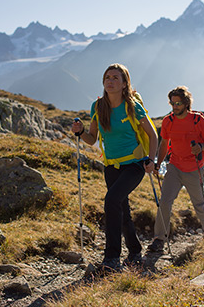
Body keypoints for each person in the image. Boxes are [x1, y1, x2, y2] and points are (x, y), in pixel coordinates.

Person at [72, 63, 157, 271]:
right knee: (121, 210)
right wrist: (81, 131)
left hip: (135, 164)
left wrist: (151, 160)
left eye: (115, 78)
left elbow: (153, 135)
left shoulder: (132, 107)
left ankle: (111, 258)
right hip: (111, 166)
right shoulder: (97, 107)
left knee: (111, 200)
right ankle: (135, 251)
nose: (110, 81)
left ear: (124, 83)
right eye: (107, 77)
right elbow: (91, 140)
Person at [148, 86, 204, 252]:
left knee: (199, 204)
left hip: (194, 169)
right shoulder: (168, 121)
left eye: (178, 103)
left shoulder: (198, 120)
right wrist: (158, 164)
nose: (174, 106)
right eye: (172, 103)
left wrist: (200, 147)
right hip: (174, 167)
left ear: (186, 103)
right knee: (164, 202)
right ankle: (159, 239)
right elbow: (164, 144)